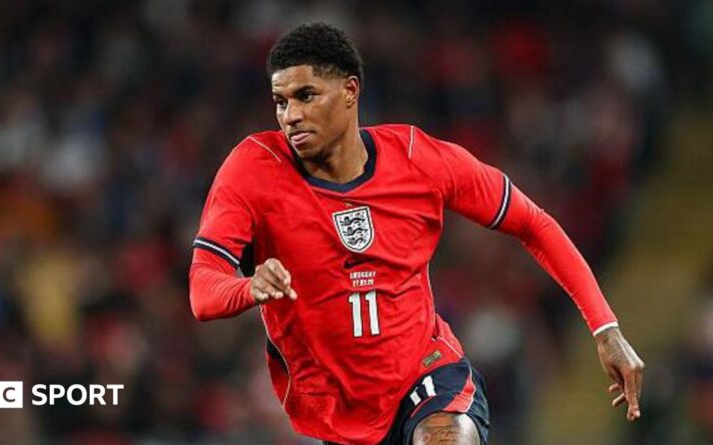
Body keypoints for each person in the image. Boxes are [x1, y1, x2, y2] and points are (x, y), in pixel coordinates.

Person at [188, 23, 644, 445]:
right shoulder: (253, 170)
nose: (291, 116)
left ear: (350, 91)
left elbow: (532, 222)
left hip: (426, 377)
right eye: (281, 101)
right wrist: (248, 287)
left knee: (444, 437)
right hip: (338, 415)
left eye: (307, 95)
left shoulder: (419, 160)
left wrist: (606, 329)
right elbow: (203, 291)